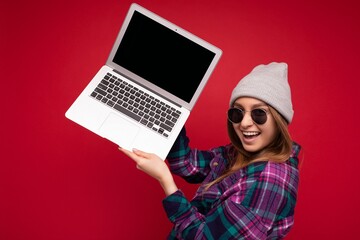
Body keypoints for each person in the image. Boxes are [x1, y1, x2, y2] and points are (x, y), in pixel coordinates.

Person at [119, 62, 301, 239]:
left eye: (259, 113)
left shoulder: (270, 178)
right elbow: (188, 165)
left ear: (280, 121)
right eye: (237, 112)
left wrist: (165, 181)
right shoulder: (240, 154)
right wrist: (171, 113)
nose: (244, 123)